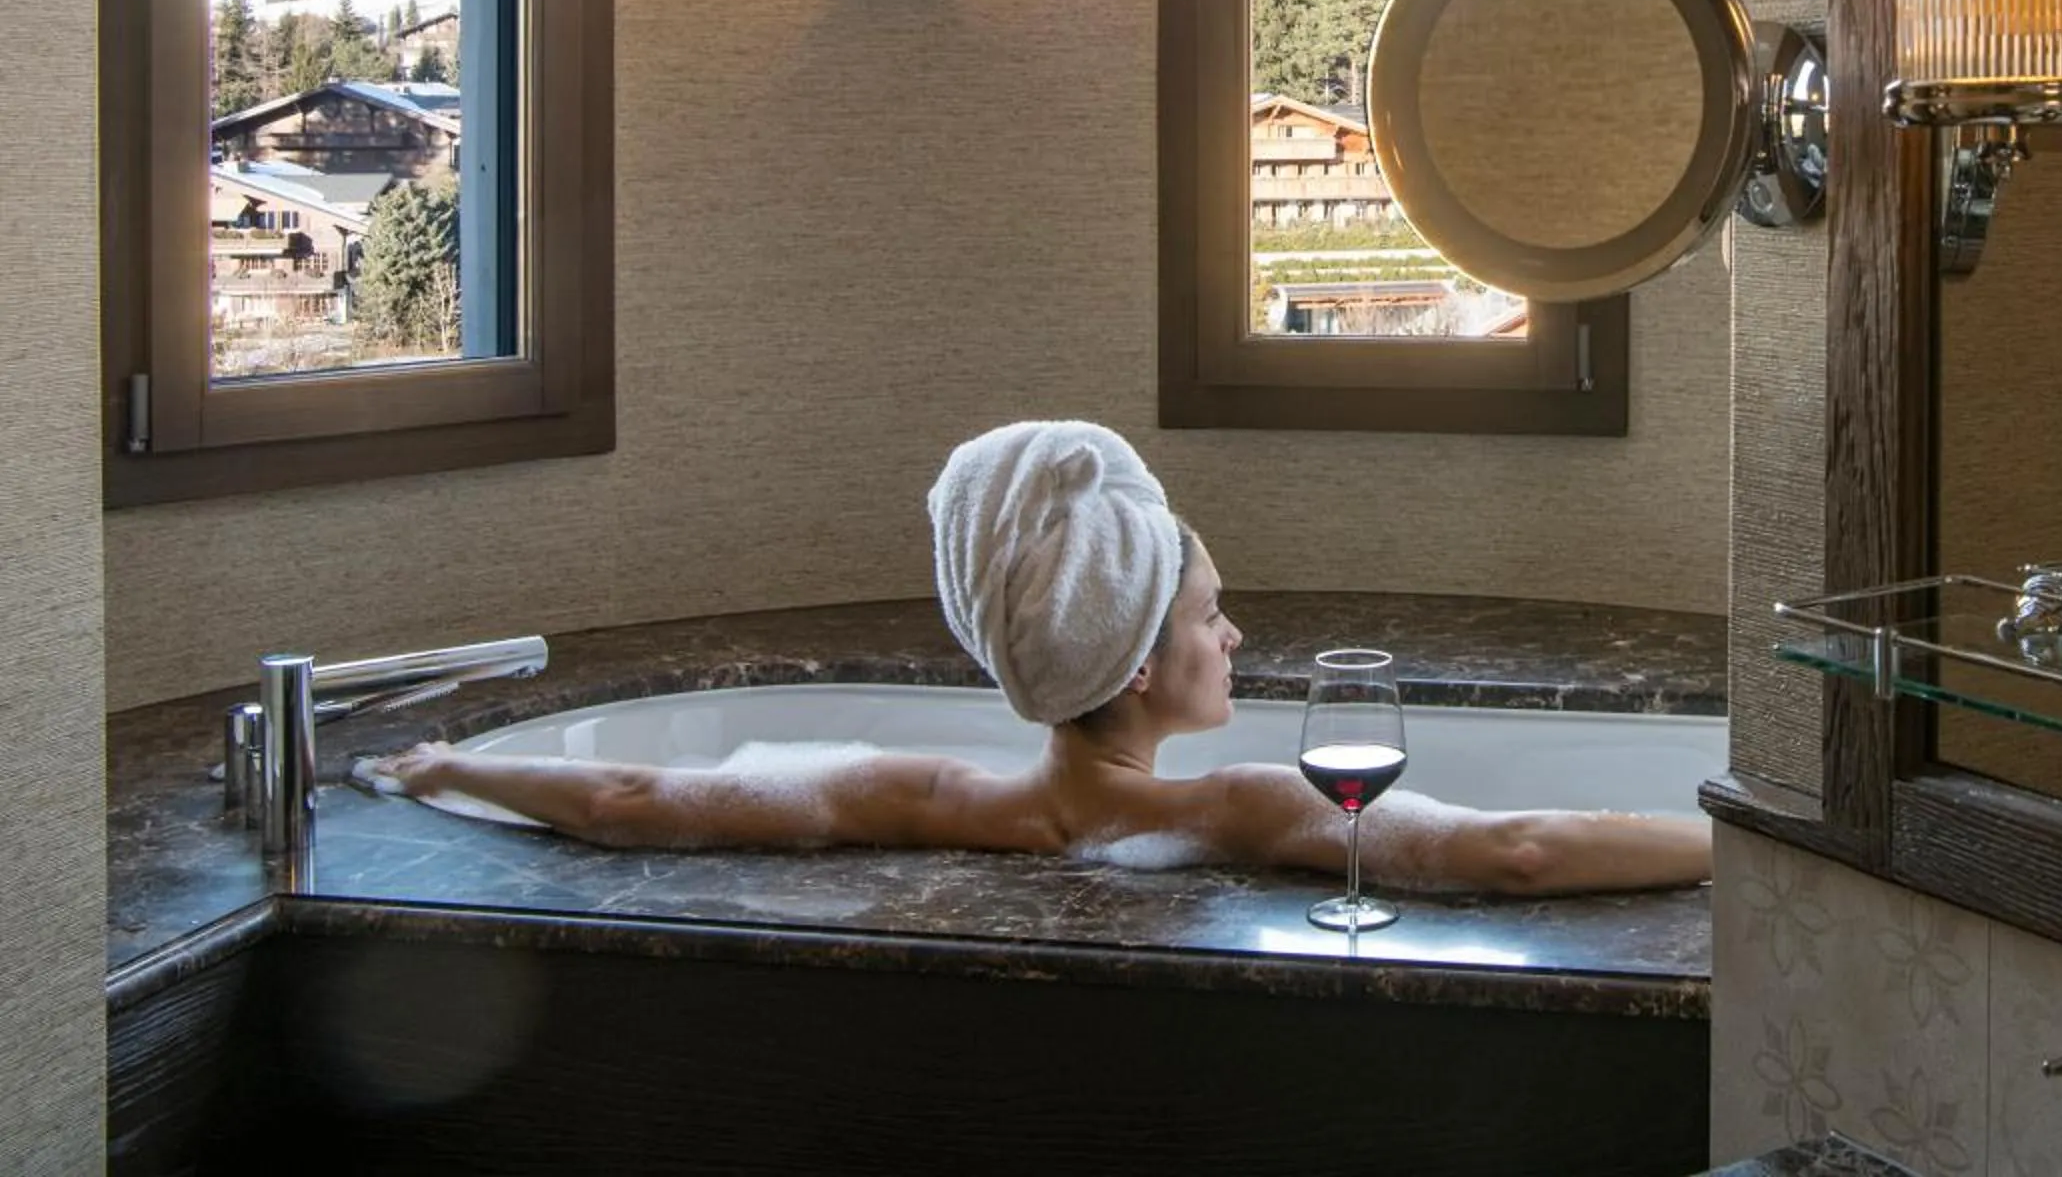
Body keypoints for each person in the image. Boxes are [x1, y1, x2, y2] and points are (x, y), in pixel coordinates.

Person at [372, 421, 1710, 896]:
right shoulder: (1233, 805)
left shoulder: (932, 796)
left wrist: (447, 767)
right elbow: (1515, 849)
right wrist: (1748, 846)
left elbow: (630, 802)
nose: (1232, 637)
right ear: (1135, 665)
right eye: (1207, 617)